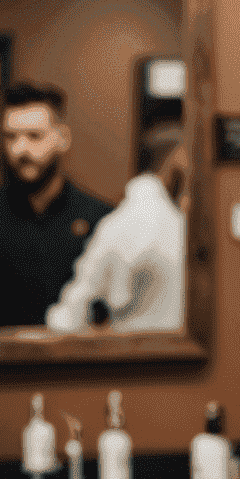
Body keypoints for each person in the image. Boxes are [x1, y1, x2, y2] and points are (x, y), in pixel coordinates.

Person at [0, 82, 113, 326]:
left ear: (63, 138)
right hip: (7, 361)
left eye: (34, 136)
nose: (20, 149)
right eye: (10, 136)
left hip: (81, 360)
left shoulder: (100, 219)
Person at [45, 129, 188, 333]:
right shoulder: (171, 223)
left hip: (132, 349)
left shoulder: (117, 223)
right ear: (175, 162)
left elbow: (73, 310)